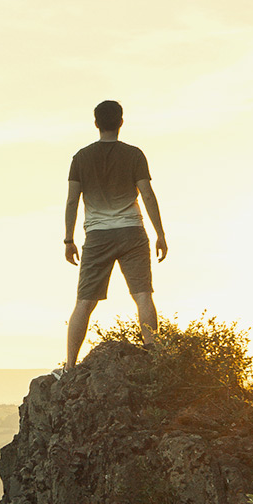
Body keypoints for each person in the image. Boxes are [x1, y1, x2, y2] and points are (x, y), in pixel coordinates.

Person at [61, 99, 166, 370]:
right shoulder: (134, 155)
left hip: (97, 236)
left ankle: (70, 366)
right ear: (121, 121)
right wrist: (160, 234)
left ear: (96, 123)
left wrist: (69, 239)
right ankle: (155, 359)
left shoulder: (81, 158)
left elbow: (72, 201)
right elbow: (148, 195)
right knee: (143, 294)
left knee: (84, 301)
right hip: (133, 231)